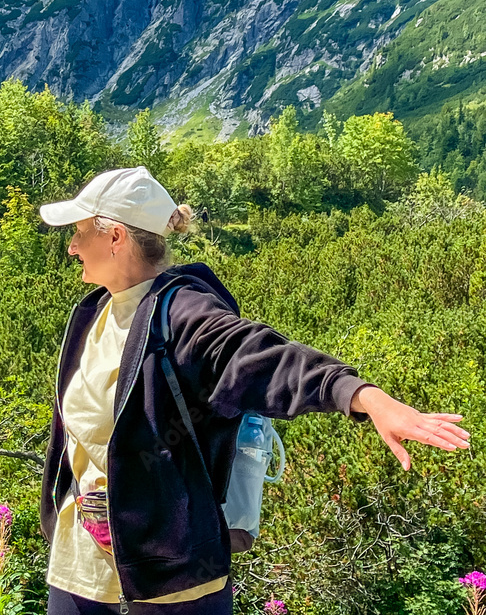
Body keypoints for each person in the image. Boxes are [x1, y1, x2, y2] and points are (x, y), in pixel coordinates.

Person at [38, 167, 470, 614]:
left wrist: (362, 396)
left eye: (80, 231)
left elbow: (264, 357)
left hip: (167, 583)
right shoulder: (95, 312)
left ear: (116, 238)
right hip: (78, 570)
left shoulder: (185, 314)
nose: (72, 245)